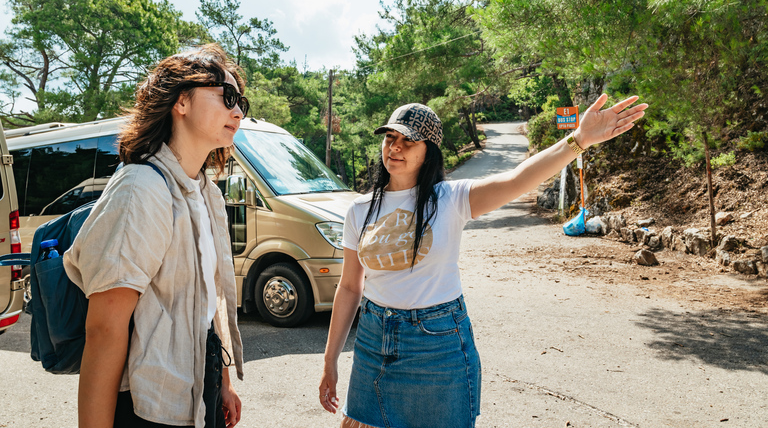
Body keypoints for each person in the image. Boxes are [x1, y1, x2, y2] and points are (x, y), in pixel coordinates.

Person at [319, 96, 647, 428]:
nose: (395, 147)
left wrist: (578, 140)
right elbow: (349, 287)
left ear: (428, 150)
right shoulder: (360, 210)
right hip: (374, 339)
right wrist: (330, 360)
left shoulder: (451, 199)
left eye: (407, 140)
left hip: (436, 342)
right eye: (390, 138)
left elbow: (518, 180)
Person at [63, 43, 247, 428]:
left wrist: (223, 382)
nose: (238, 110)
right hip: (149, 403)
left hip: (200, 385)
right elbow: (104, 328)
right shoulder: (141, 187)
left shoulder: (206, 192)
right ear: (181, 103)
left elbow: (207, 300)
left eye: (241, 102)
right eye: (226, 96)